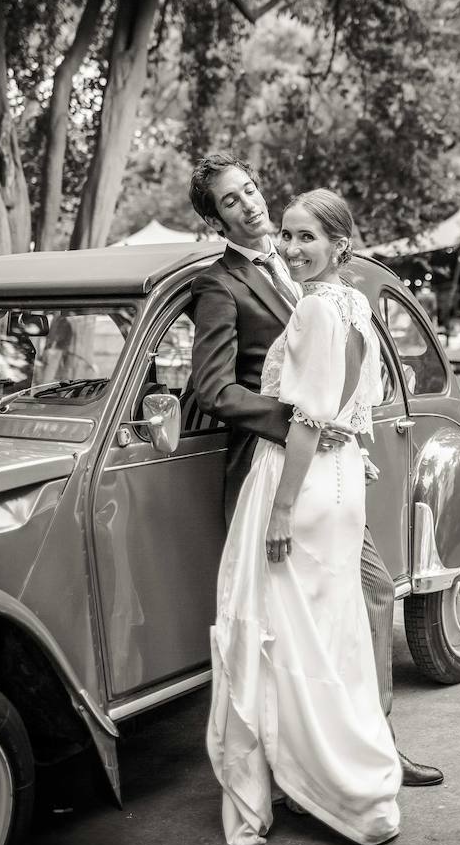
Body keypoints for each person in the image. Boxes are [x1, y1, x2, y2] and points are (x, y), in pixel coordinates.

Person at [188, 155, 442, 793]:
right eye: (228, 201)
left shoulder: (301, 263)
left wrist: (338, 433)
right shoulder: (219, 285)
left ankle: (367, 744)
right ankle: (312, 760)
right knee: (297, 619)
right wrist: (305, 420)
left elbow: (332, 362)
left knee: (366, 594)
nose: (248, 204)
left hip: (321, 466)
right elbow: (214, 389)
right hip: (272, 466)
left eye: (248, 189)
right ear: (213, 217)